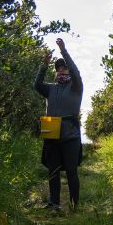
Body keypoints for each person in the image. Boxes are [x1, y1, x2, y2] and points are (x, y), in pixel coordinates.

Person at [34, 37, 83, 209]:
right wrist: (44, 65)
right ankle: (53, 203)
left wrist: (63, 50)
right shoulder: (51, 88)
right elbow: (37, 84)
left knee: (71, 172)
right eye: (59, 69)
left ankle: (74, 204)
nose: (61, 71)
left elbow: (76, 72)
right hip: (51, 135)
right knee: (53, 172)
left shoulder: (76, 87)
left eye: (64, 68)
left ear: (69, 71)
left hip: (70, 136)